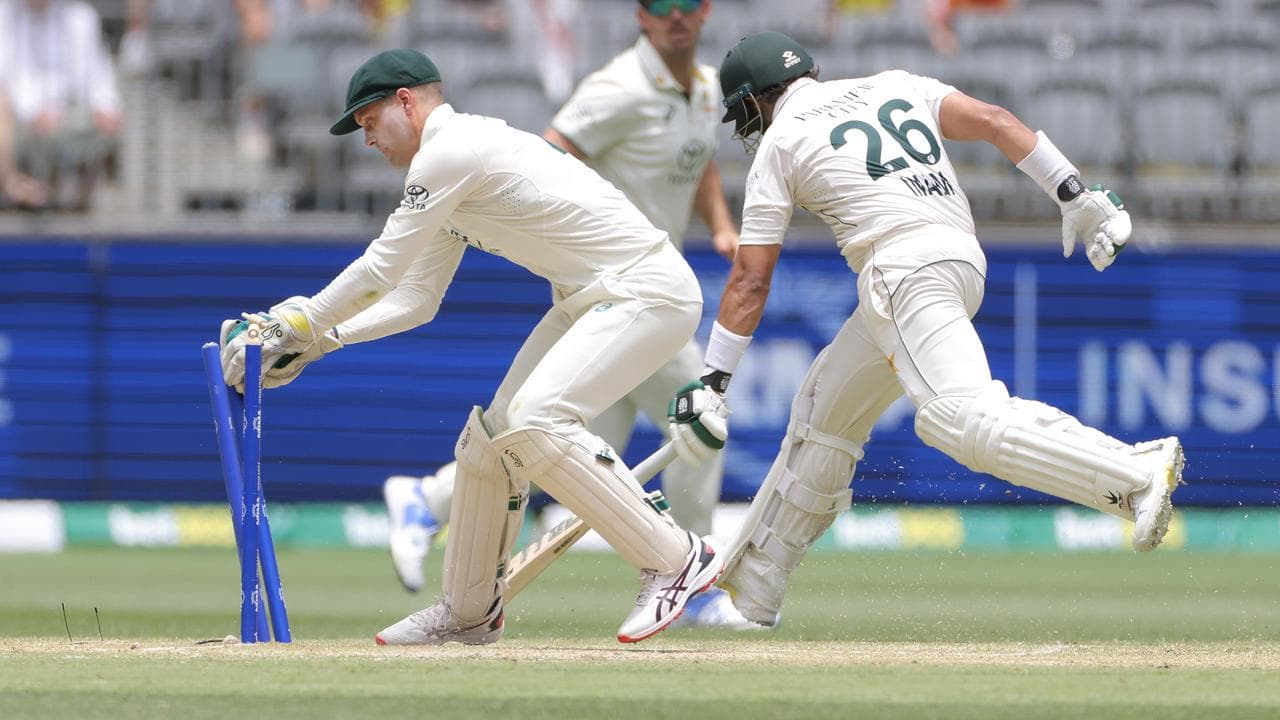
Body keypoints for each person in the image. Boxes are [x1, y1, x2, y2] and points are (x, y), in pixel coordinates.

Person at [216, 48, 730, 645]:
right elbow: (416, 299)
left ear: (406, 103)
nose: (367, 141)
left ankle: (675, 559)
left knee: (539, 417)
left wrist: (295, 323)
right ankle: (468, 612)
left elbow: (379, 268)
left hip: (647, 288)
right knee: (493, 440)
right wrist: (323, 340)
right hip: (589, 297)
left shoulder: (451, 151)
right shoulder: (445, 171)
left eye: (369, 122)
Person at [697, 32, 1185, 627]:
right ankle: (755, 587)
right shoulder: (893, 84)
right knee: (824, 414)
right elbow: (996, 120)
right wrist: (1074, 194)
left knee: (958, 418)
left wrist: (713, 381)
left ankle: (1134, 473)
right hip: (959, 260)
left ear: (754, 101)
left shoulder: (781, 141)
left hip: (901, 274)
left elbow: (750, 280)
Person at [382, 0, 751, 628]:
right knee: (696, 417)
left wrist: (719, 223)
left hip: (642, 292)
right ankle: (692, 581)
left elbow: (701, 160)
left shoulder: (708, 89)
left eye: (688, 7)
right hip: (616, 286)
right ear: (642, 17)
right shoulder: (615, 88)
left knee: (562, 441)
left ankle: (432, 499)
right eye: (664, 10)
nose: (677, 19)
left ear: (705, 11)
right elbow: (548, 155)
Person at [0, 0, 122, 211]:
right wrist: (34, 110)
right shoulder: (5, 13)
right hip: (21, 111)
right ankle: (15, 186)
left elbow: (96, 73)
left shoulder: (81, 17)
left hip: (66, 108)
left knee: (97, 125)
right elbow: (8, 74)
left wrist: (106, 105)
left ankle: (75, 206)